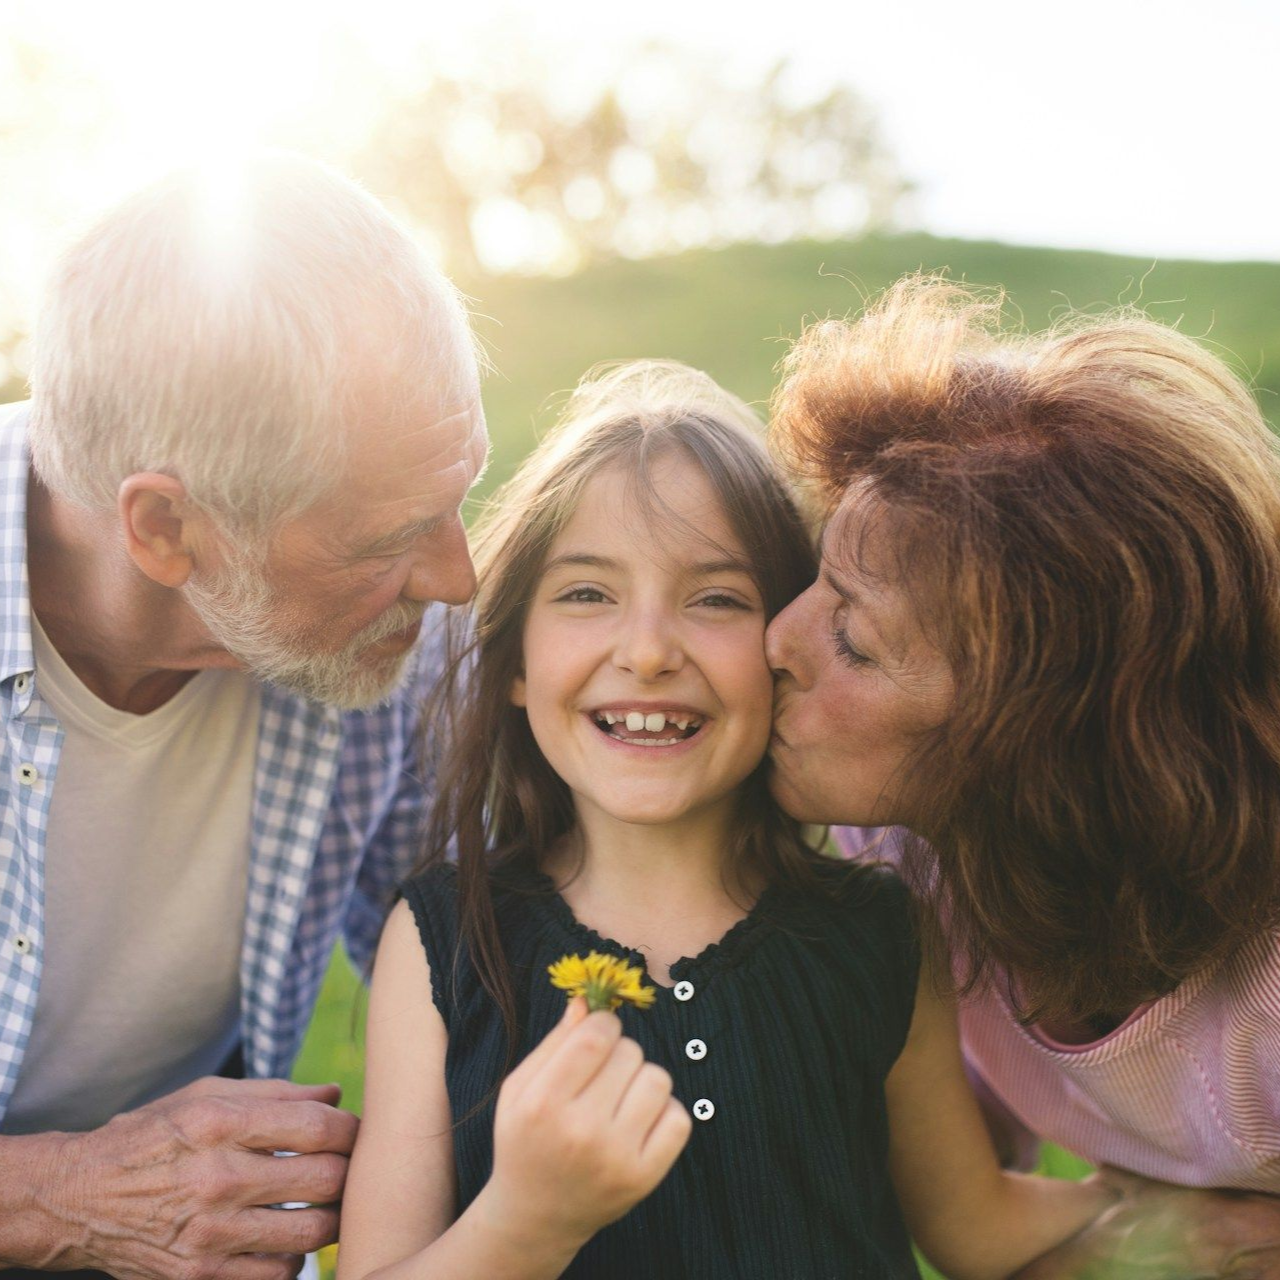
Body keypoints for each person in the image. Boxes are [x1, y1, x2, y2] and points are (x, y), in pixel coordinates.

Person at [337, 360, 1113, 1280]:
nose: (651, 651)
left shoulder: (879, 931)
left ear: (786, 647)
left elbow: (975, 1228)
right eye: (588, 593)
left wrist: (1174, 1206)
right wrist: (524, 1223)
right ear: (512, 659)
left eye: (717, 599)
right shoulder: (443, 939)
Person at [0, 155, 487, 1278]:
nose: (455, 578)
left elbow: (490, 975)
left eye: (458, 498)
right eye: (387, 540)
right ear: (165, 526)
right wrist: (62, 1195)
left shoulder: (389, 653)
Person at [765, 276, 1280, 1275]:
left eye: (851, 637)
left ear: (1037, 742)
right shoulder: (906, 854)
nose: (775, 639)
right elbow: (965, 1216)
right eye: (814, 581)